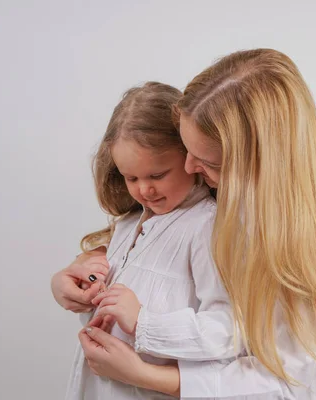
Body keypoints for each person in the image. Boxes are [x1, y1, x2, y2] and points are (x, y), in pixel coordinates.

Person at [53, 48, 316, 399]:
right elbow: (148, 247)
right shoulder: (212, 201)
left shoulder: (286, 233)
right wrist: (86, 265)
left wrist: (145, 371)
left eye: (206, 161)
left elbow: (279, 375)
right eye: (186, 150)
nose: (190, 169)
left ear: (255, 162)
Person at [58, 82, 237, 400]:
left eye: (157, 175)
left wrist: (144, 322)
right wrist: (78, 287)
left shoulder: (208, 228)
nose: (144, 190)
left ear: (190, 157)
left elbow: (229, 329)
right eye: (131, 178)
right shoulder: (129, 224)